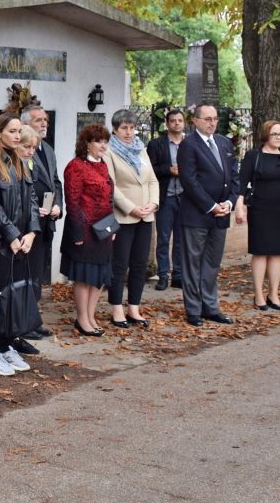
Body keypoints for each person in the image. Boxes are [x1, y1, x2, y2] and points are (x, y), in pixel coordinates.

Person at [0, 114, 41, 375]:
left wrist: (31, 233)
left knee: (13, 295)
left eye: (19, 131)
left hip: (21, 240)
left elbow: (32, 199)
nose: (17, 136)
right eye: (12, 131)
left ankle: (5, 346)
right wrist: (12, 235)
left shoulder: (20, 162)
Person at [177, 104, 240, 326]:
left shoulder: (224, 143)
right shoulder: (188, 145)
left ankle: (211, 307)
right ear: (195, 121)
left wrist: (230, 203)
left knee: (212, 264)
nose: (212, 122)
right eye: (207, 119)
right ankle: (193, 309)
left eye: (214, 119)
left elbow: (234, 176)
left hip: (221, 213)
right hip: (197, 214)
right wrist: (211, 205)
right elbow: (189, 181)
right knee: (192, 263)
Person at [234, 120, 280, 310]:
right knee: (261, 252)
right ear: (265, 135)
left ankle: (273, 294)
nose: (278, 137)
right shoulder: (254, 156)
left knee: (276, 253)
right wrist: (239, 207)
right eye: (274, 134)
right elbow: (241, 184)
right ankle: (258, 295)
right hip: (260, 210)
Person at [104, 109, 160, 328]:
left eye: (131, 127)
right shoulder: (109, 151)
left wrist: (153, 204)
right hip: (124, 217)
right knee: (120, 264)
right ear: (115, 129)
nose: (129, 132)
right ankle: (117, 308)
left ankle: (134, 307)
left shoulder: (140, 148)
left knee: (139, 264)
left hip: (146, 216)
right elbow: (112, 185)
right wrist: (131, 208)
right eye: (124, 128)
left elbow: (152, 180)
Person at [60, 124, 115, 336]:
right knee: (84, 277)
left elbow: (109, 199)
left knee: (100, 277)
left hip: (103, 230)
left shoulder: (103, 165)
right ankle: (82, 319)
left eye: (105, 141)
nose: (103, 145)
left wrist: (112, 227)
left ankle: (91, 316)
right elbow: (72, 202)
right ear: (87, 143)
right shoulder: (75, 166)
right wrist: (76, 233)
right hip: (83, 231)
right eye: (98, 141)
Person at [21, 105, 62, 341]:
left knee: (37, 275)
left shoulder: (47, 149)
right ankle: (25, 323)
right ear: (26, 124)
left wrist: (58, 206)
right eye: (38, 120)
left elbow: (55, 182)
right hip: (29, 223)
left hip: (48, 221)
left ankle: (34, 320)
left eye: (45, 119)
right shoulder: (22, 151)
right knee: (26, 274)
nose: (44, 124)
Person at [147, 107, 187, 290]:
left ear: (184, 122)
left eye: (179, 120)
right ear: (167, 124)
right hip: (166, 197)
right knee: (163, 238)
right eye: (173, 121)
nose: (176, 123)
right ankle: (163, 274)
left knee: (180, 238)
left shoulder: (190, 143)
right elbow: (149, 170)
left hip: (186, 198)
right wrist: (168, 170)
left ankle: (178, 275)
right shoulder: (156, 144)